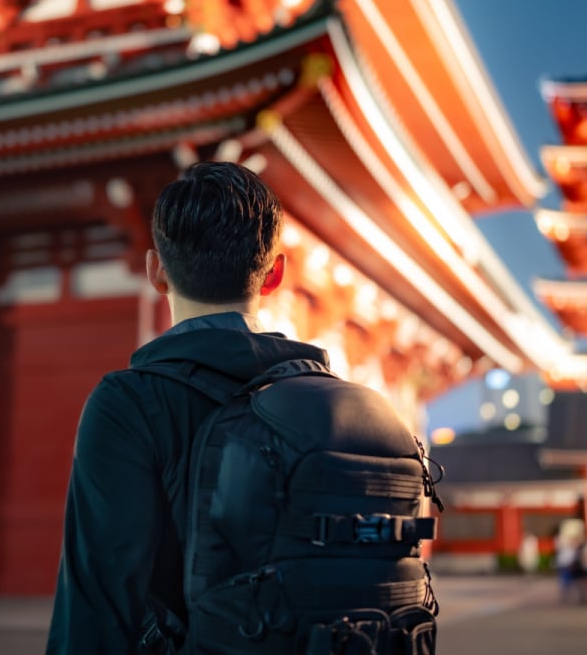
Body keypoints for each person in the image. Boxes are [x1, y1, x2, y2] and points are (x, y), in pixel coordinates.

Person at [46, 161, 436, 654]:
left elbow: (96, 606)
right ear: (274, 273)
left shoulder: (130, 404)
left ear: (156, 271)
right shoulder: (330, 403)